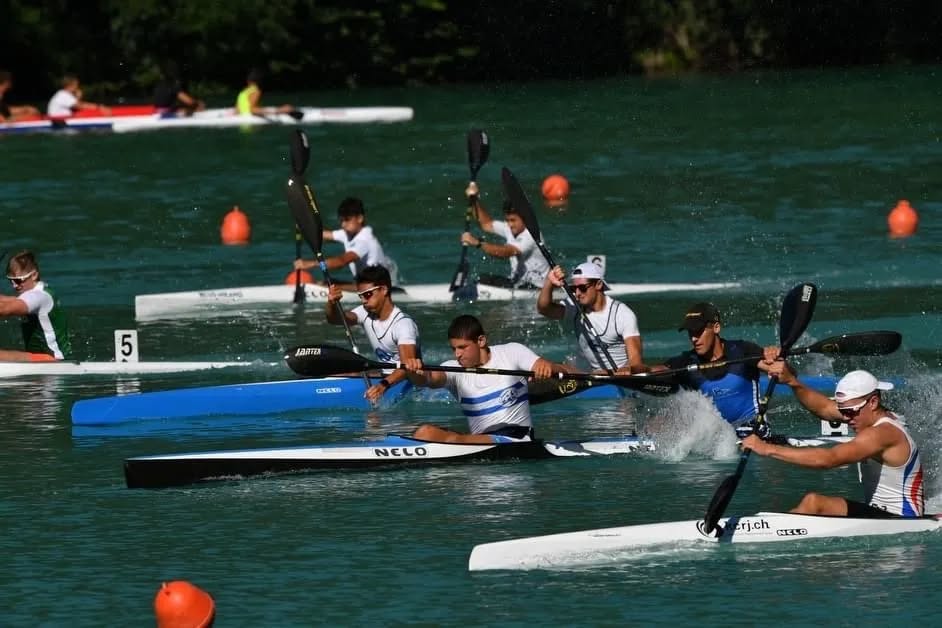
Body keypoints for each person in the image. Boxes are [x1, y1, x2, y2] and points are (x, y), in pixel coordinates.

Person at [743, 367, 924, 518]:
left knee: (814, 503)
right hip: (878, 512)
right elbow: (825, 408)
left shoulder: (882, 433)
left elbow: (828, 459)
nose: (846, 418)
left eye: (851, 412)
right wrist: (793, 382)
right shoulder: (868, 415)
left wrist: (766, 448)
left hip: (902, 520)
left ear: (873, 402)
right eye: (843, 411)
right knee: (812, 502)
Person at [404, 314, 574, 444]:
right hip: (480, 441)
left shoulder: (512, 352)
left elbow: (551, 367)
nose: (457, 354)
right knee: (424, 432)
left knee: (454, 441)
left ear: (481, 341)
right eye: (454, 349)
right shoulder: (453, 369)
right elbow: (428, 378)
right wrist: (414, 371)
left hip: (517, 439)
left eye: (462, 347)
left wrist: (546, 368)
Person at [651, 302, 763, 426]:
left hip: (754, 433)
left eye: (698, 331)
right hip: (716, 439)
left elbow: (778, 369)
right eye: (690, 333)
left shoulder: (744, 351)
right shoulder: (687, 361)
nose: (694, 338)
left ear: (716, 327)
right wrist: (635, 370)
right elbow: (659, 371)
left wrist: (773, 356)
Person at [326, 265, 419, 403]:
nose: (363, 300)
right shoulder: (365, 313)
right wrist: (332, 303)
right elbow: (335, 319)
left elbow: (407, 367)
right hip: (382, 375)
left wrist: (383, 386)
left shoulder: (403, 325)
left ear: (384, 289)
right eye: (360, 296)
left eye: (367, 294)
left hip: (405, 380)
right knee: (338, 373)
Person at [537, 261, 644, 374]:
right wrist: (549, 283)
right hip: (591, 374)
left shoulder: (622, 314)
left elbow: (636, 361)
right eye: (574, 289)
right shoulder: (575, 306)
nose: (577, 293)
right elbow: (544, 309)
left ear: (598, 284)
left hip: (622, 375)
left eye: (582, 288)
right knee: (552, 367)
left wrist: (622, 370)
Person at [294, 197, 400, 289]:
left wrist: (310, 264)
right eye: (341, 221)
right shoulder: (348, 233)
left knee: (327, 287)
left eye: (347, 220)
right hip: (363, 283)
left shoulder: (364, 241)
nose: (343, 224)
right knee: (324, 283)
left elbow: (341, 261)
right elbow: (322, 234)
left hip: (377, 287)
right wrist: (304, 226)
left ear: (360, 218)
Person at [460, 181, 549, 289]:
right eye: (507, 220)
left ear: (525, 217)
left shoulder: (531, 234)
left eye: (513, 220)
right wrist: (474, 200)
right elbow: (486, 224)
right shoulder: (510, 227)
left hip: (538, 287)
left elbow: (507, 252)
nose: (510, 225)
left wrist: (478, 243)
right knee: (482, 279)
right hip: (518, 283)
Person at [0, 251, 71, 361]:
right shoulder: (34, 295)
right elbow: (7, 301)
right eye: (11, 281)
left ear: (34, 275)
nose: (14, 286)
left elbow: (4, 309)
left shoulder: (39, 296)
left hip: (53, 361)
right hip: (40, 359)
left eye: (18, 280)